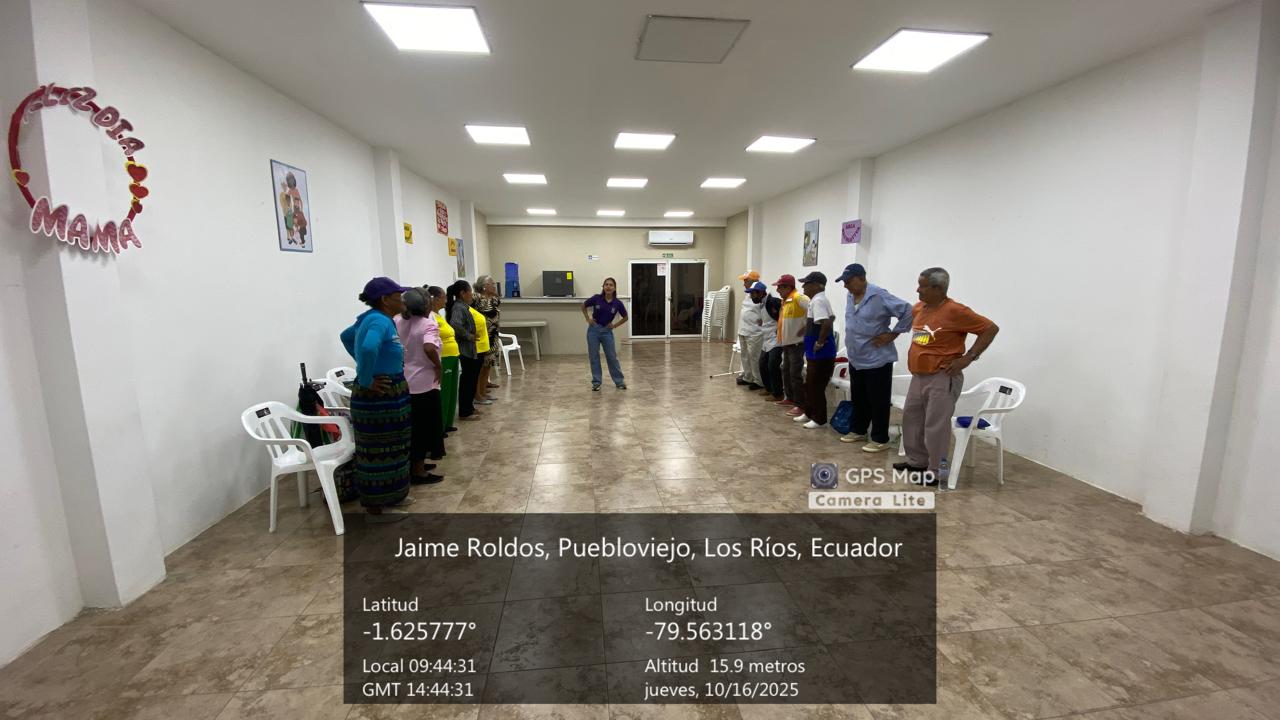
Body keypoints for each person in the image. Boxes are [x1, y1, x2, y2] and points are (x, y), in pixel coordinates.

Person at [896, 267, 999, 486]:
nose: (917, 290)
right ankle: (917, 462)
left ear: (938, 288)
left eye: (922, 286)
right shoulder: (919, 309)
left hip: (942, 377)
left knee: (937, 427)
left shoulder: (955, 311)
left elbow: (990, 329)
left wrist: (969, 357)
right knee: (912, 420)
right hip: (919, 376)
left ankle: (937, 472)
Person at [339, 276, 414, 516]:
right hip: (378, 396)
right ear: (385, 299)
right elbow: (368, 347)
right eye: (398, 296)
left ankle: (392, 496)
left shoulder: (376, 318)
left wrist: (366, 368)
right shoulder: (378, 320)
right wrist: (366, 377)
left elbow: (346, 336)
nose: (402, 300)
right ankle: (376, 508)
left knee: (394, 446)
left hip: (389, 392)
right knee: (378, 450)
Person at [835, 263, 913, 452]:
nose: (845, 286)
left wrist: (892, 334)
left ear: (861, 278)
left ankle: (879, 438)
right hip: (856, 357)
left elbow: (908, 311)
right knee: (859, 397)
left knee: (878, 400)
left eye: (848, 281)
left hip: (877, 358)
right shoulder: (850, 296)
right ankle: (858, 430)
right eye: (844, 282)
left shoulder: (879, 295)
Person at [394, 288, 444, 483]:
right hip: (424, 382)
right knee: (424, 428)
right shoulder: (427, 324)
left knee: (411, 427)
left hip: (403, 380)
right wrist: (437, 365)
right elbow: (429, 347)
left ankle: (415, 463)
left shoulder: (397, 320)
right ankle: (419, 470)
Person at [794, 271, 837, 429]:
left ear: (817, 285)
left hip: (821, 352)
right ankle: (809, 412)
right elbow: (832, 318)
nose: (803, 287)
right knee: (810, 383)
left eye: (807, 283)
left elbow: (826, 323)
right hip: (814, 352)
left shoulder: (818, 301)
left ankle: (819, 419)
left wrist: (819, 342)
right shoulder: (818, 300)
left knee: (816, 385)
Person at [582, 277, 628, 390]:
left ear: (614, 288)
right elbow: (583, 306)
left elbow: (625, 317)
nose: (608, 287)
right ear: (603, 287)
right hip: (593, 330)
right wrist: (588, 319)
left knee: (612, 357)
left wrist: (614, 325)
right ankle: (596, 382)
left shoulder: (617, 303)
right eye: (606, 284)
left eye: (611, 285)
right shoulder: (596, 298)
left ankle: (619, 382)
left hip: (607, 332)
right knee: (594, 356)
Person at [773, 274, 809, 415]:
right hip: (787, 344)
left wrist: (806, 328)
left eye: (780, 287)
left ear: (788, 287)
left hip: (797, 344)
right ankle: (790, 398)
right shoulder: (785, 301)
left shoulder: (799, 298)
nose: (777, 290)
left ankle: (801, 405)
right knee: (786, 371)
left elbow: (814, 311)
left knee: (795, 374)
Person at [446, 280, 482, 421]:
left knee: (471, 379)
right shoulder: (459, 308)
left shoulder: (463, 306)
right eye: (470, 292)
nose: (472, 295)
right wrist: (468, 336)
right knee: (468, 380)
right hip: (464, 349)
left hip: (469, 348)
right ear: (462, 293)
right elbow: (455, 324)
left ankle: (469, 407)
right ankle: (465, 411)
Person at [430, 286, 460, 436]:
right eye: (444, 297)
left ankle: (448, 422)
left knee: (452, 390)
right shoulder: (430, 316)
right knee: (445, 391)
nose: (446, 300)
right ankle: (440, 426)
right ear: (435, 299)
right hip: (444, 357)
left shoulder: (439, 315)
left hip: (453, 355)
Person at [474, 275, 502, 392]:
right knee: (482, 363)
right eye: (492, 284)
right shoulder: (476, 298)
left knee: (489, 361)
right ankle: (479, 390)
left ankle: (485, 383)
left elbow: (496, 309)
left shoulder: (494, 299)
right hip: (483, 334)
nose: (494, 286)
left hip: (493, 333)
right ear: (484, 286)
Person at [735, 270, 763, 388]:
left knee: (754, 357)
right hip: (743, 330)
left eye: (746, 281)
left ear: (754, 281)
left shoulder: (761, 294)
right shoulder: (748, 294)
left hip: (754, 332)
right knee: (745, 356)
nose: (744, 283)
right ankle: (748, 377)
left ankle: (758, 381)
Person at [757, 287, 784, 401]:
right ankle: (768, 388)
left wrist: (780, 330)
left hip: (776, 339)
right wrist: (762, 322)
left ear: (760, 293)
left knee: (773, 365)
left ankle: (778, 393)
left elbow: (783, 316)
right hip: (766, 338)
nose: (751, 296)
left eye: (753, 294)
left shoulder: (774, 302)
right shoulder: (762, 305)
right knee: (762, 364)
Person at [470, 302, 493, 406]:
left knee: (485, 369)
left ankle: (482, 393)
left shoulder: (474, 311)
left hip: (484, 345)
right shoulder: (465, 310)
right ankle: (477, 395)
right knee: (477, 373)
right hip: (476, 346)